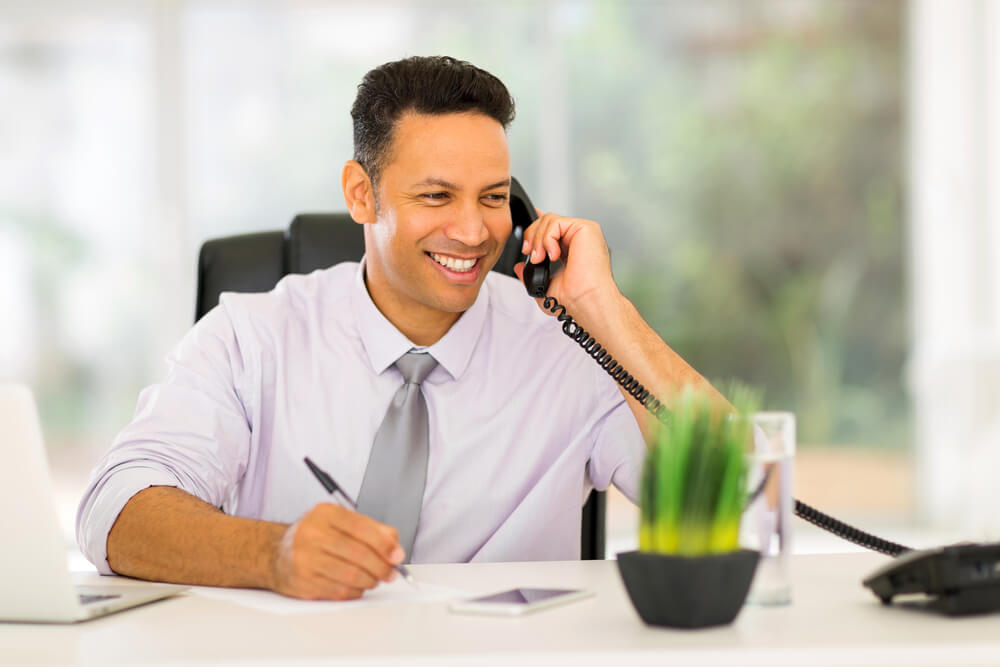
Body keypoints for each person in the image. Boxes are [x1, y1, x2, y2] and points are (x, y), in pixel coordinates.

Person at [76, 55, 724, 601]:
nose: (474, 233)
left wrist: (602, 307)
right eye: (437, 196)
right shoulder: (251, 337)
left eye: (494, 197)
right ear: (361, 194)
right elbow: (114, 509)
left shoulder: (572, 345)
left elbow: (739, 498)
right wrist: (272, 554)